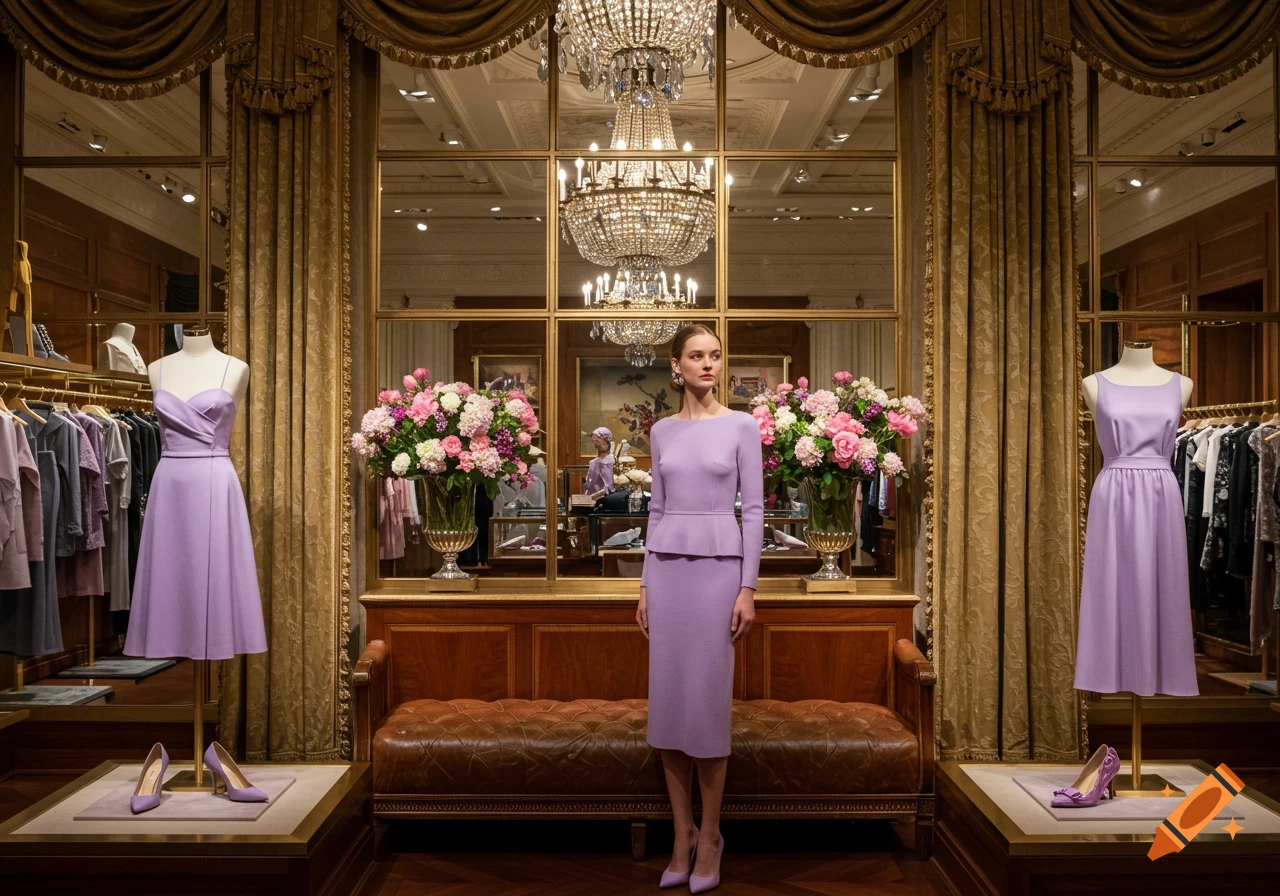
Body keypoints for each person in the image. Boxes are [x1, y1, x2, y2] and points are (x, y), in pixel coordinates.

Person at [635, 323, 763, 893]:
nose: (708, 364)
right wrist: (643, 586)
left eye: (714, 356)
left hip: (719, 576)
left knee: (707, 708)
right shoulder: (660, 431)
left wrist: (748, 588)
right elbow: (656, 510)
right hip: (665, 575)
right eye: (696, 356)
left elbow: (755, 510)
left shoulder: (741, 426)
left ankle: (711, 835)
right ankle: (680, 834)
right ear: (676, 365)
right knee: (666, 709)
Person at [584, 426, 617, 501]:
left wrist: (592, 497)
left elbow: (609, 487)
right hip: (590, 501)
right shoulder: (594, 462)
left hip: (600, 502)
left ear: (605, 441)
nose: (594, 440)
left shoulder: (607, 462)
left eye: (597, 438)